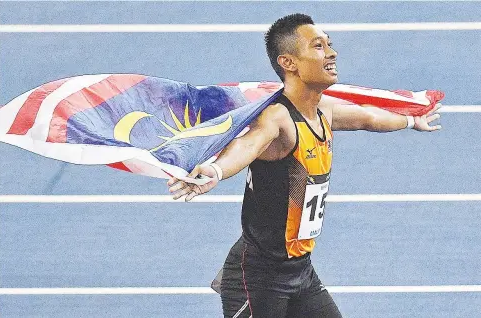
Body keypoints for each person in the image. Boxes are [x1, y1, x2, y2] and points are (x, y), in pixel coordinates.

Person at [168, 13, 441, 318]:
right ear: (289, 62)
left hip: (300, 272)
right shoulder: (278, 118)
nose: (332, 52)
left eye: (329, 44)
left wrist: (410, 120)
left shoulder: (323, 111)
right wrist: (216, 171)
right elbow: (249, 144)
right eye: (318, 46)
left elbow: (370, 117)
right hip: (258, 279)